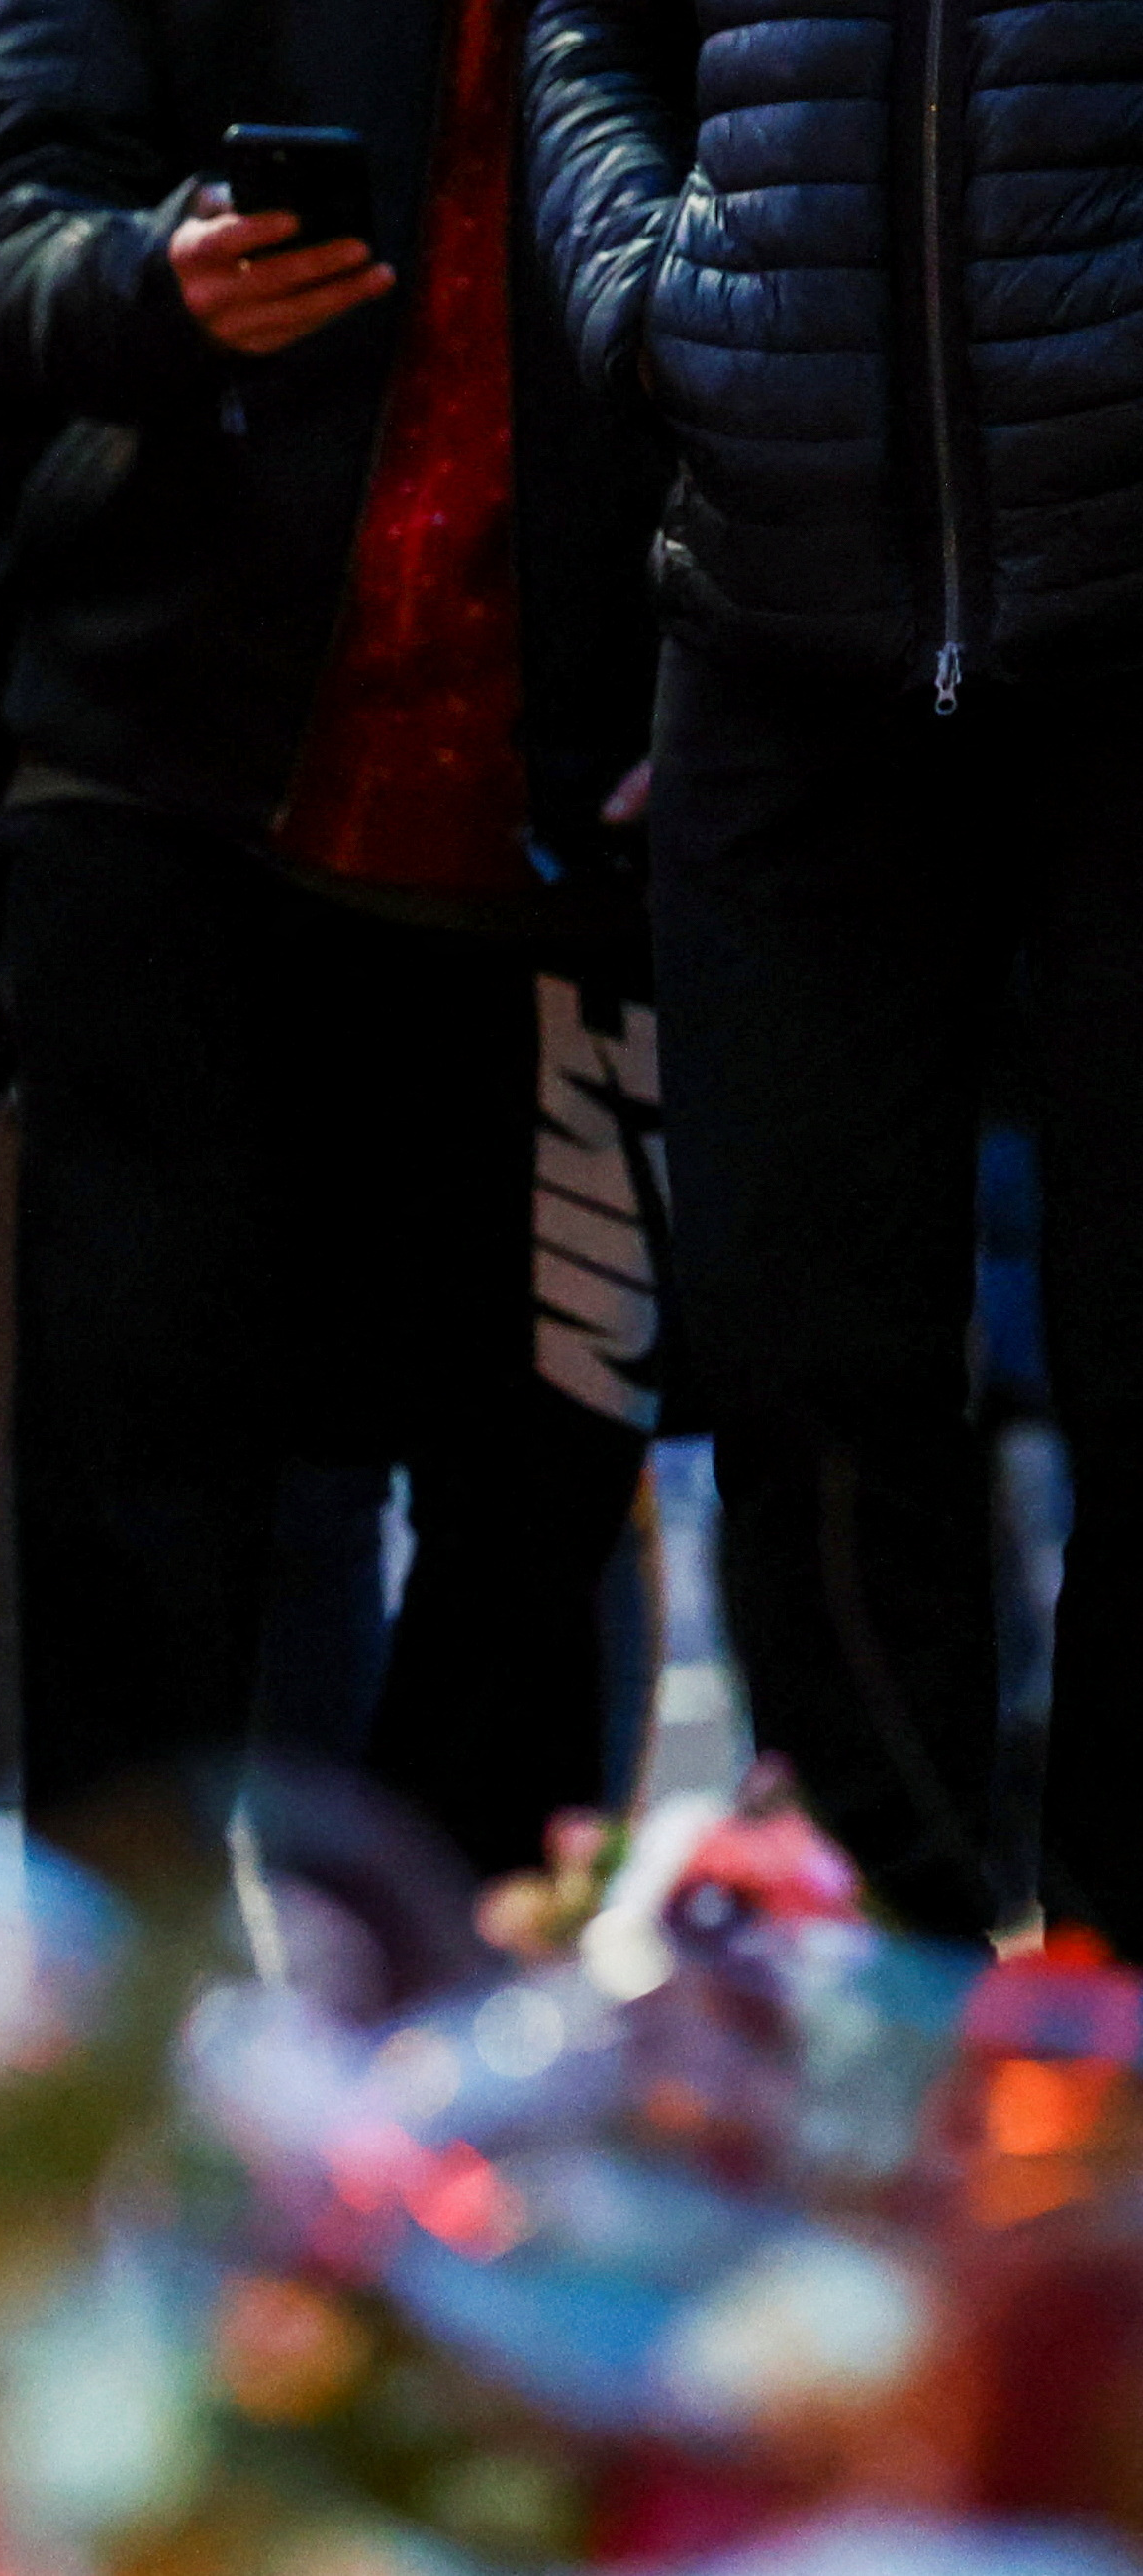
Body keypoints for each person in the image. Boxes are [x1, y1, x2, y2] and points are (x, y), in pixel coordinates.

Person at [0, 0, 668, 1873]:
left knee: (536, 1543)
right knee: (135, 1557)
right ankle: (110, 2119)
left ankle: (479, 2119)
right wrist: (153, 282)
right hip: (172, 789)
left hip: (603, 837)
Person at [529, 0, 1143, 1945]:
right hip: (772, 607)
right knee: (796, 1363)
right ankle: (887, 2012)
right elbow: (584, 31)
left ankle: (1108, 2041)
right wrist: (658, 295)